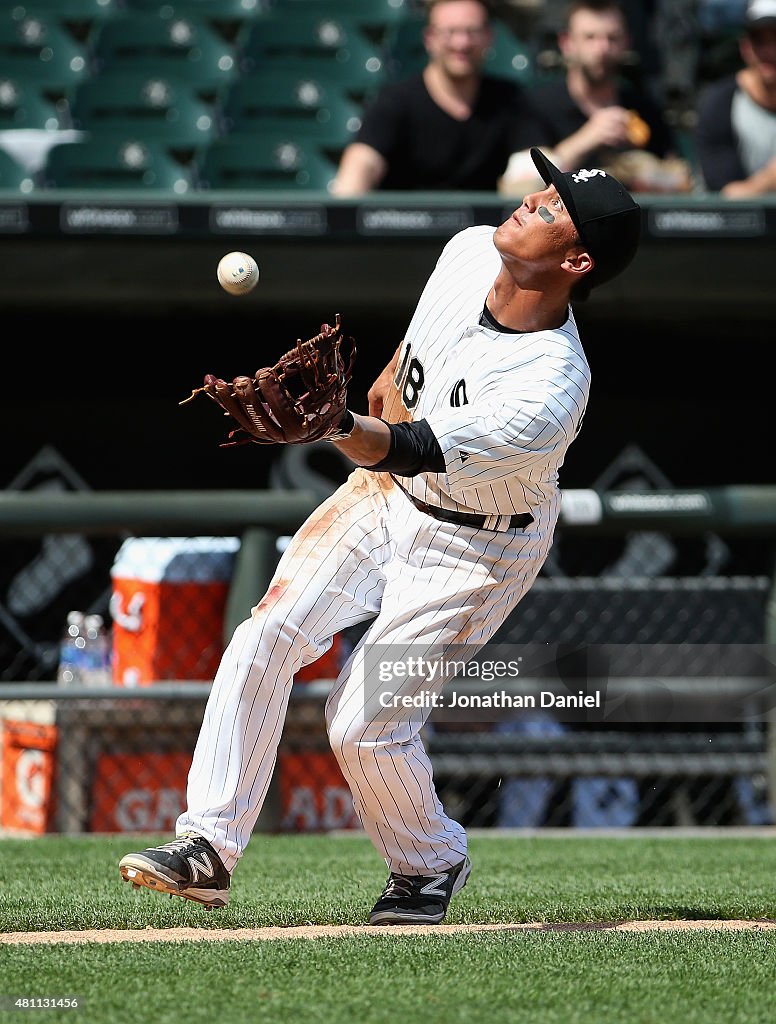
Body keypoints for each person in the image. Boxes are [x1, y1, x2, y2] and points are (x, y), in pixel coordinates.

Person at [118, 147, 641, 926]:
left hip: (477, 548)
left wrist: (335, 427)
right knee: (267, 633)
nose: (534, 198)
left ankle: (430, 864)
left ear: (579, 258)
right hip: (386, 494)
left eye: (556, 204)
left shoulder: (549, 383)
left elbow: (413, 444)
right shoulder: (467, 251)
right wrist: (358, 416)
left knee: (363, 724)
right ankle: (207, 847)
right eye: (545, 186)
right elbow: (397, 380)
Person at [329, 0, 546, 194]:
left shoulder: (509, 100)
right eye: (449, 32)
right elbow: (362, 163)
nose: (461, 43)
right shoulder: (395, 101)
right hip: (407, 232)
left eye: (472, 31)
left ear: (489, 37)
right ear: (429, 38)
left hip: (484, 234)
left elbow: (533, 159)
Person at [499, 0, 692, 194]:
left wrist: (645, 172)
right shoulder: (536, 106)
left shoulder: (644, 107)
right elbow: (519, 189)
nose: (602, 48)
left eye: (612, 37)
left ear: (627, 42)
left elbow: (682, 182)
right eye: (590, 37)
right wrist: (589, 137)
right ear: (566, 43)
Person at [694, 0, 776, 196]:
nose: (770, 51)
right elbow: (726, 197)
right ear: (745, 46)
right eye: (760, 41)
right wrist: (770, 178)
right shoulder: (720, 103)